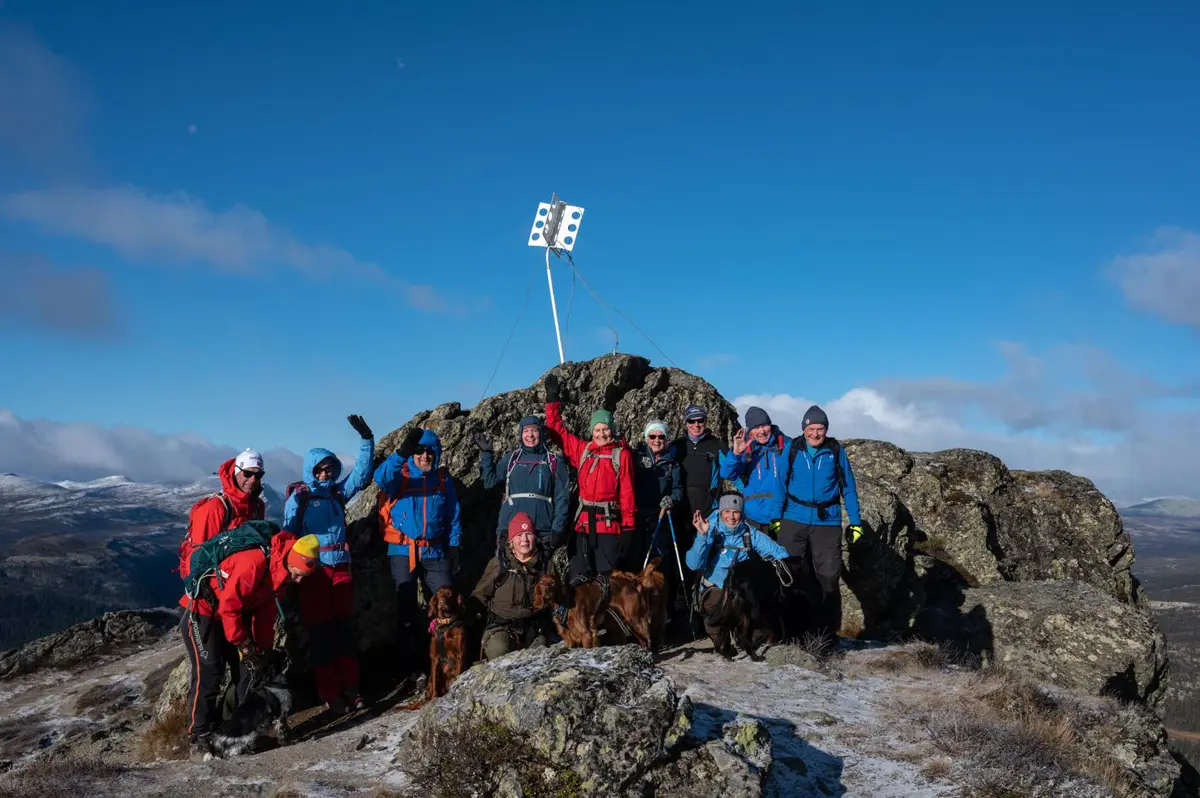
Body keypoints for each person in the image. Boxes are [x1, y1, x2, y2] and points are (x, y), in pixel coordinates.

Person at [184, 528, 317, 757]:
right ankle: (199, 736)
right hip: (204, 612)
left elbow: (264, 615)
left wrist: (260, 651)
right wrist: (242, 642)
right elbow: (229, 606)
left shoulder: (281, 577)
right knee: (210, 671)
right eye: (297, 573)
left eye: (303, 577)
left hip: (230, 617)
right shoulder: (253, 564)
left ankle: (235, 731)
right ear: (290, 560)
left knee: (246, 672)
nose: (298, 580)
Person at [281, 414, 375, 715]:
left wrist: (366, 440)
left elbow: (360, 476)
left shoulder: (337, 492)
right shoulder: (300, 498)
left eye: (329, 469)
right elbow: (287, 536)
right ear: (311, 471)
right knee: (321, 635)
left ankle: (352, 689)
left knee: (344, 632)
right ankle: (331, 694)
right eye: (320, 470)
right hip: (314, 575)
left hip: (340, 571)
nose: (325, 474)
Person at [374, 426, 462, 685]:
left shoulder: (443, 481)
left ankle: (449, 660)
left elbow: (453, 516)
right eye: (419, 451)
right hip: (403, 550)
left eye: (430, 452)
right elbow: (381, 478)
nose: (425, 456)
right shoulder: (399, 477)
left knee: (450, 604)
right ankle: (414, 669)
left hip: (435, 550)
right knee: (407, 609)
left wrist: (454, 546)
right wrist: (401, 454)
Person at [778, 405, 863, 642]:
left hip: (827, 521)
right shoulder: (793, 449)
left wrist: (856, 522)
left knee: (828, 577)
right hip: (793, 518)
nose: (816, 433)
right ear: (804, 429)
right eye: (811, 428)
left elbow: (848, 488)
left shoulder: (835, 451)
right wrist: (777, 519)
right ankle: (789, 632)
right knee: (787, 573)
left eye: (821, 428)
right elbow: (780, 485)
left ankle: (826, 635)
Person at [542, 373, 635, 586]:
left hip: (609, 526)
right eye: (597, 429)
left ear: (612, 429)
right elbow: (558, 432)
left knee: (608, 583)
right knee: (579, 582)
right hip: (582, 526)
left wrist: (629, 527)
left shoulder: (622, 455)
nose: (601, 434)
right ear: (591, 431)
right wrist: (552, 401)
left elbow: (627, 493)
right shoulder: (583, 451)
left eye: (605, 429)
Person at [685, 494, 788, 652]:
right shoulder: (709, 529)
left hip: (743, 591)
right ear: (720, 512)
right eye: (726, 511)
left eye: (735, 512)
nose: (731, 517)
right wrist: (702, 536)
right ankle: (722, 639)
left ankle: (744, 633)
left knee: (757, 638)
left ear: (741, 513)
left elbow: (778, 553)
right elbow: (693, 564)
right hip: (715, 588)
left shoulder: (749, 533)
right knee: (720, 632)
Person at [474, 415, 569, 551]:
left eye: (534, 430)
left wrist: (557, 528)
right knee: (508, 570)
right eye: (526, 431)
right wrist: (486, 453)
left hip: (542, 529)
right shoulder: (511, 458)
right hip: (509, 527)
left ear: (541, 433)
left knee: (541, 571)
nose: (530, 435)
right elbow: (489, 482)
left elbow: (562, 497)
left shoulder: (553, 461)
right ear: (520, 434)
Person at [177, 448, 267, 589]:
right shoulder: (216, 507)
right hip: (215, 586)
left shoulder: (257, 506)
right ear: (236, 472)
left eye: (258, 475)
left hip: (244, 582)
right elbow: (199, 555)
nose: (253, 479)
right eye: (247, 474)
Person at [471, 511, 553, 660]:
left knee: (540, 654)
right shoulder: (499, 565)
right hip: (501, 626)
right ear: (510, 540)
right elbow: (479, 596)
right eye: (519, 535)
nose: (525, 540)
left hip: (533, 629)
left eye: (528, 534)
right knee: (499, 650)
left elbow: (557, 598)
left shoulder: (545, 566)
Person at [671, 404, 727, 619]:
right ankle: (682, 613)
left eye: (700, 421)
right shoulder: (677, 446)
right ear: (685, 423)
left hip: (708, 512)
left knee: (707, 562)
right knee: (683, 563)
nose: (696, 425)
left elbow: (731, 470)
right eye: (692, 421)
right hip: (681, 513)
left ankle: (708, 610)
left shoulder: (716, 445)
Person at [630, 420, 684, 615]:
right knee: (636, 563)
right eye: (652, 436)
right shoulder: (636, 456)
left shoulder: (672, 463)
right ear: (646, 438)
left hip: (660, 517)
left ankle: (661, 612)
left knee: (658, 564)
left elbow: (678, 490)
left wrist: (672, 499)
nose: (657, 440)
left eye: (661, 436)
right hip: (637, 517)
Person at [717, 406, 791, 535]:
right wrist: (735, 454)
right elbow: (727, 474)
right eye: (756, 427)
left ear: (770, 425)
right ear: (750, 431)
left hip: (783, 514)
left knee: (783, 554)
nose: (761, 431)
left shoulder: (786, 445)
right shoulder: (746, 449)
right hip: (754, 517)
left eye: (764, 425)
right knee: (754, 555)